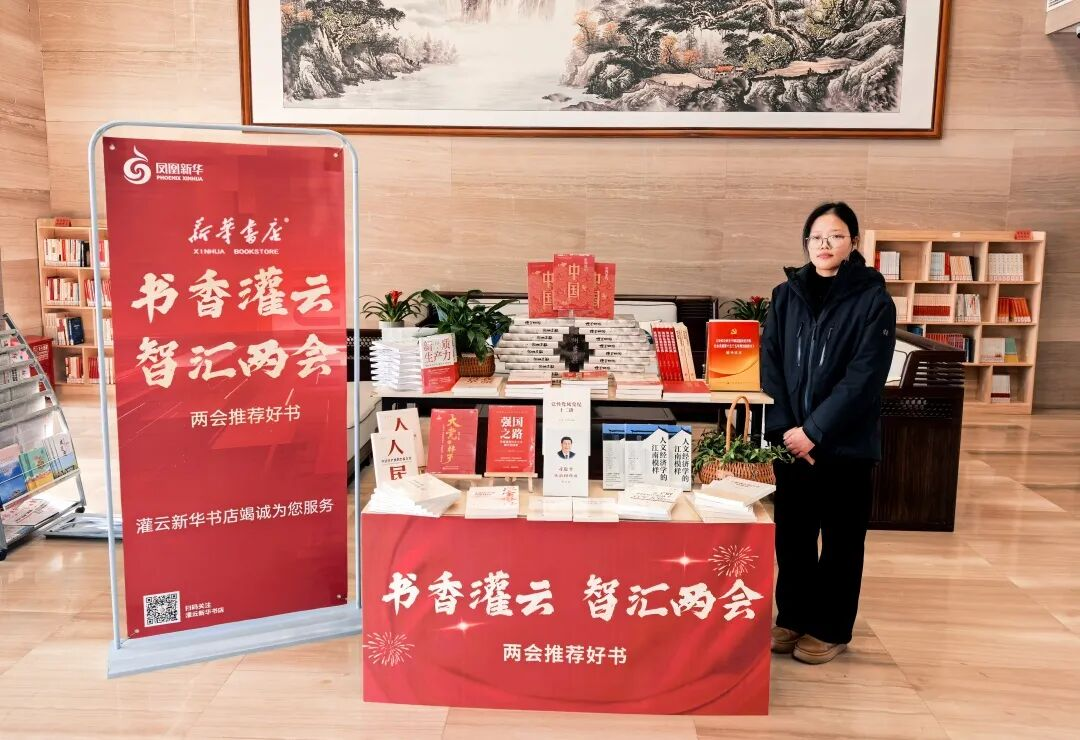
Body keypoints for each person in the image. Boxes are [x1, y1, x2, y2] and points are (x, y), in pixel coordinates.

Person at [760, 202, 896, 665]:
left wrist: (814, 431)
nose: (825, 244)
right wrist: (787, 429)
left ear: (852, 242)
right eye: (817, 237)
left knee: (841, 541)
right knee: (793, 537)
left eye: (836, 236)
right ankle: (793, 617)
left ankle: (831, 628)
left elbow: (864, 376)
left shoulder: (873, 300)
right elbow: (771, 365)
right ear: (806, 243)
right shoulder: (786, 295)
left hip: (845, 444)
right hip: (791, 442)